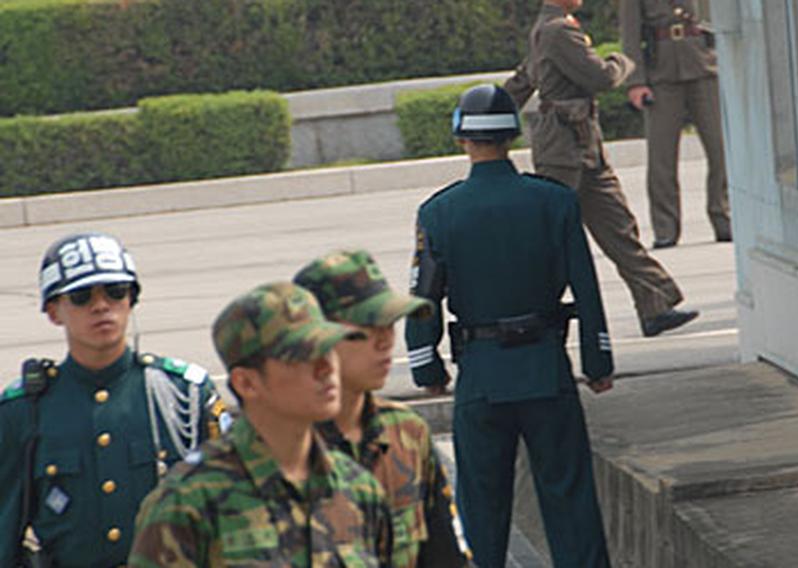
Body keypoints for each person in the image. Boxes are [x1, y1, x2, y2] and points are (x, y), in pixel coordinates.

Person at [405, 83, 615, 568]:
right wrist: (597, 360)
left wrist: (427, 368)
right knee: (570, 498)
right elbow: (586, 286)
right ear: (513, 136)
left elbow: (423, 299)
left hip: (482, 374)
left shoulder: (440, 212)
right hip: (545, 367)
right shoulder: (554, 201)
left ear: (462, 137)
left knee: (481, 504)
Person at [0, 231, 225, 567]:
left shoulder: (185, 396)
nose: (101, 305)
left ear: (132, 299)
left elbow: (228, 511)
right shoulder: (24, 412)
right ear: (53, 311)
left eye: (115, 291)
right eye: (80, 296)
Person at [129, 281, 393, 566]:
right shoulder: (188, 503)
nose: (327, 368)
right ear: (247, 383)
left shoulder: (358, 490)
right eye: (302, 356)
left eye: (328, 348)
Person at [504, 0, 699, 338]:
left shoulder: (551, 27)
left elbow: (522, 79)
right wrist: (624, 61)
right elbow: (601, 77)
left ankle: (655, 305)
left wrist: (496, 107)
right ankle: (523, 311)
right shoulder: (558, 31)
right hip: (562, 149)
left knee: (617, 225)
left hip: (583, 146)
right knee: (551, 237)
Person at [294, 249, 470, 567]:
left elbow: (444, 553)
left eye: (389, 325)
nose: (385, 341)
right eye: (366, 329)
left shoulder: (406, 431)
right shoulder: (277, 446)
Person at [620, 0, 731, 247]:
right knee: (662, 158)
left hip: (704, 65)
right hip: (661, 71)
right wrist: (636, 81)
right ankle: (665, 227)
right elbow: (630, 34)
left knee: (720, 148)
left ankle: (723, 216)